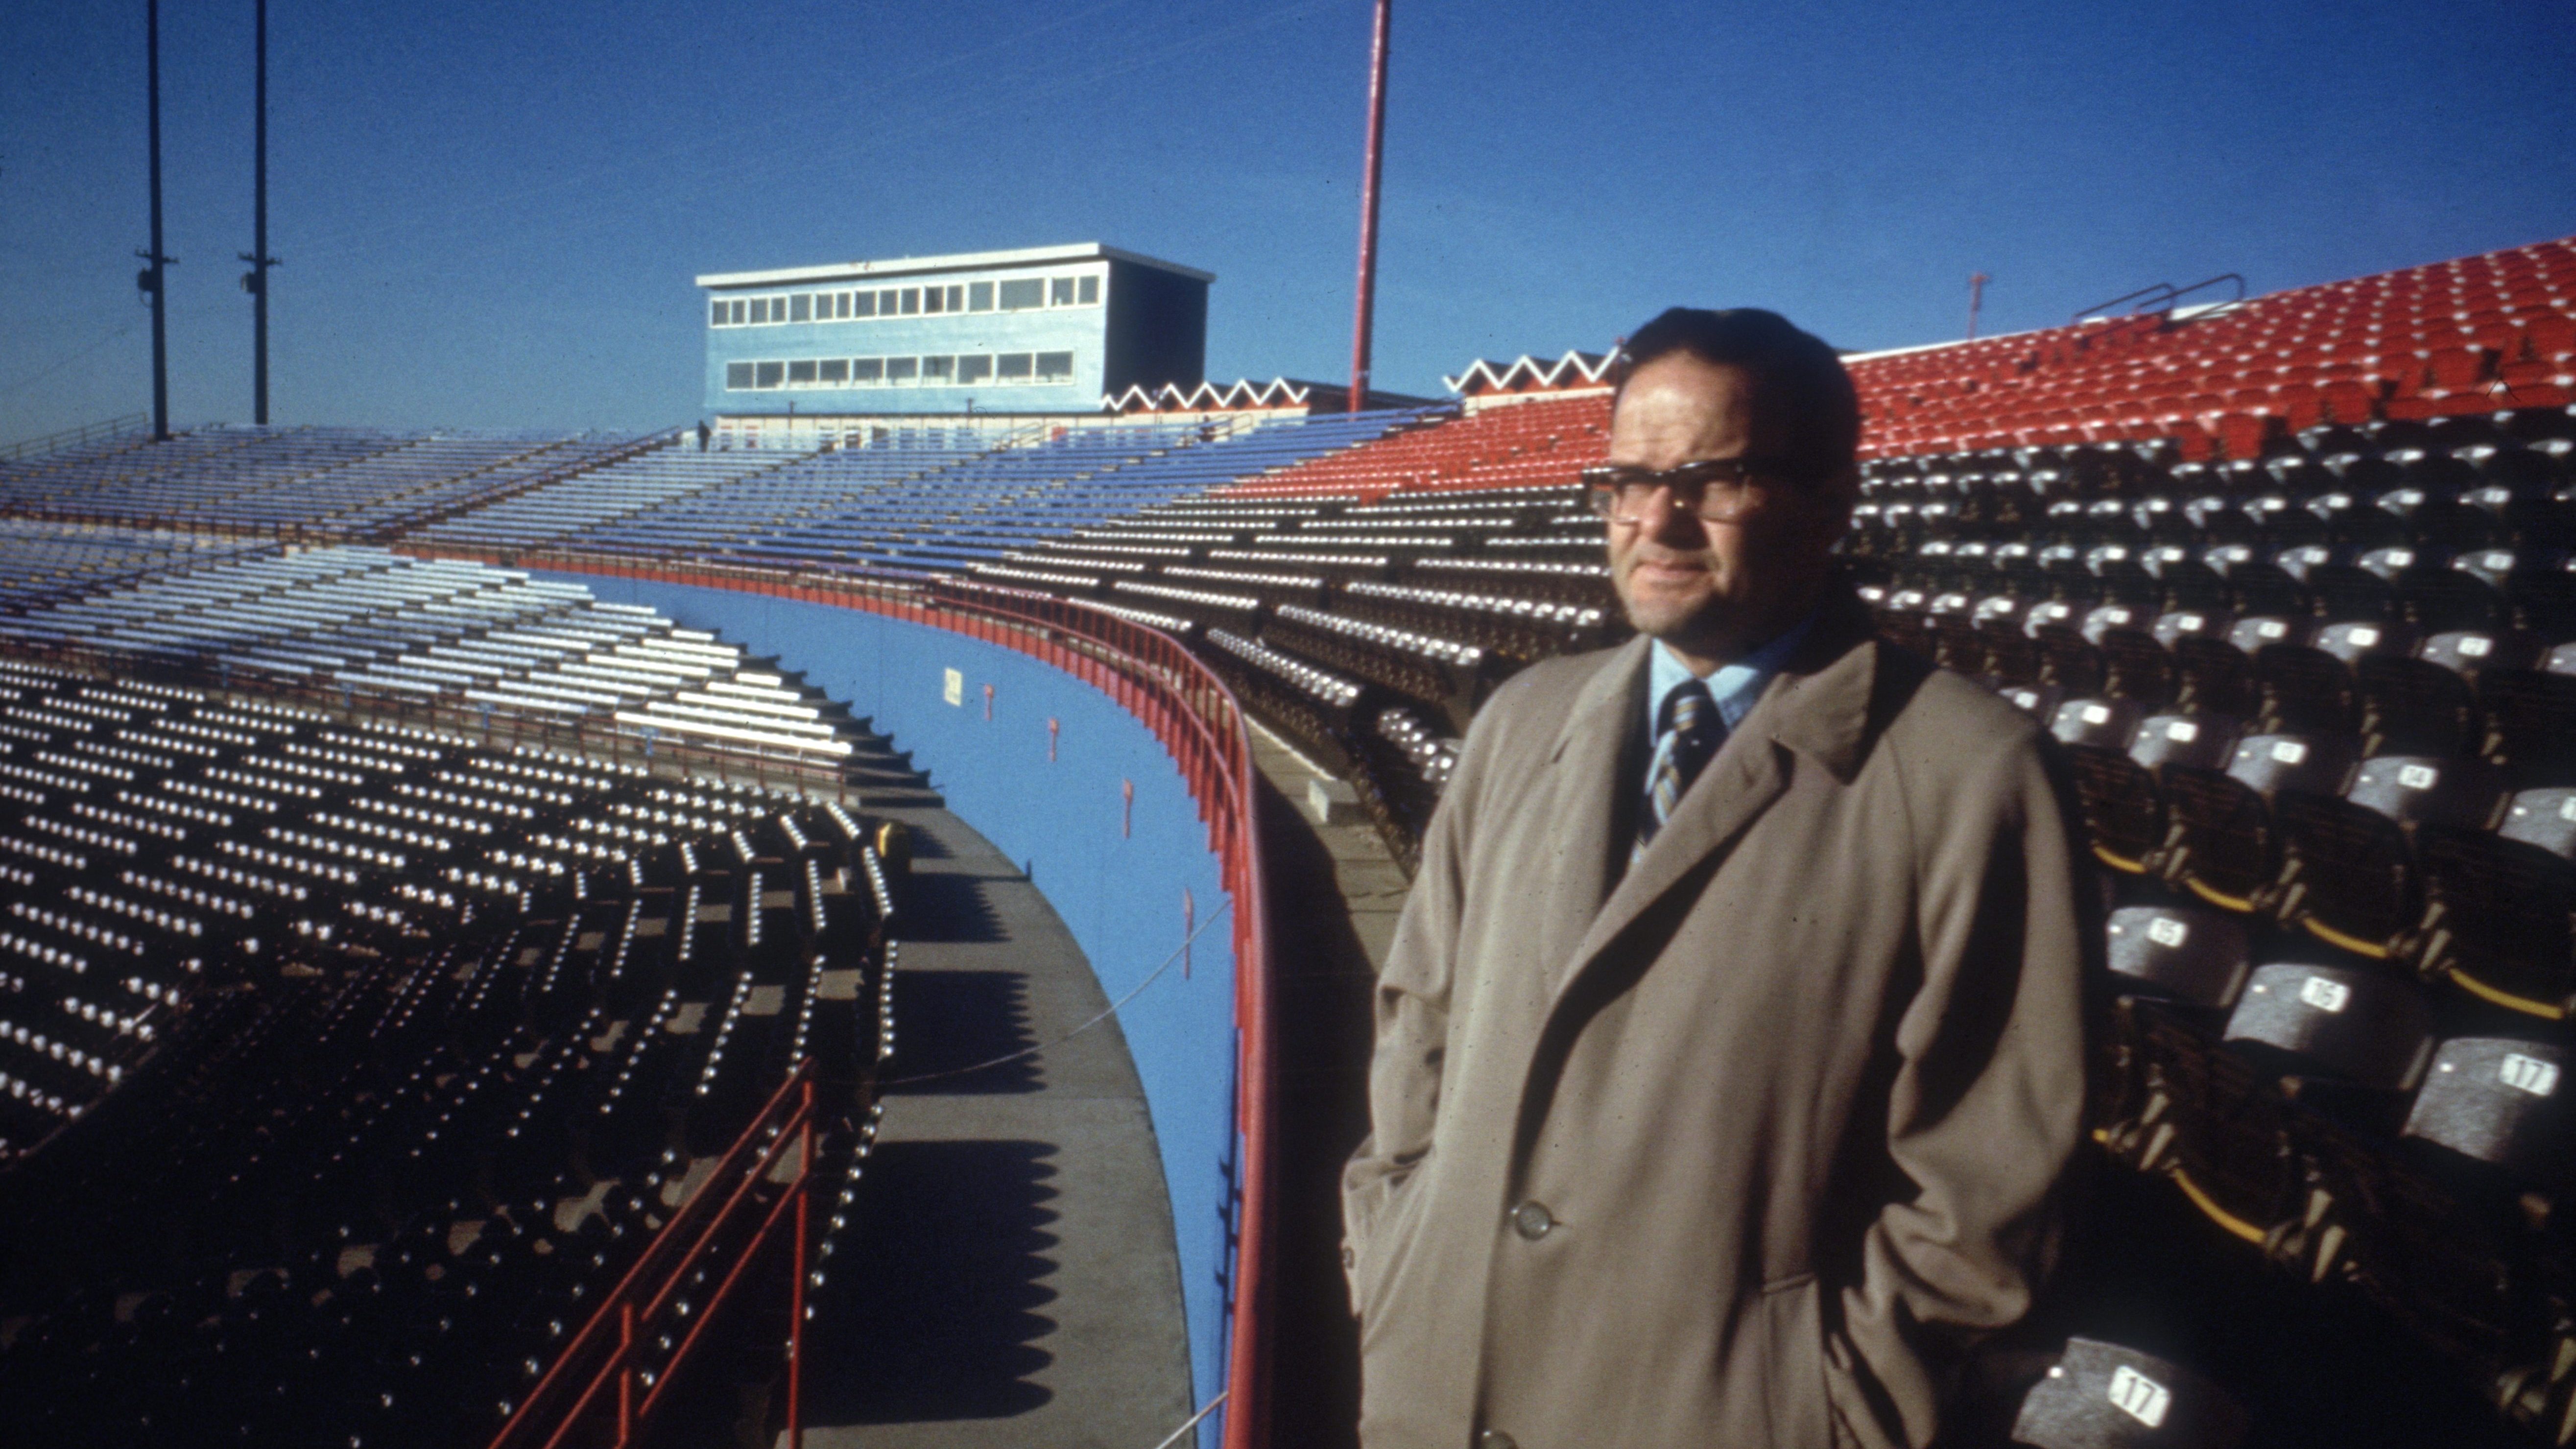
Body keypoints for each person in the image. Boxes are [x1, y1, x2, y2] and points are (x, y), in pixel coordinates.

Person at [1339, 308, 2093, 1449]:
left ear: (1832, 503)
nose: (1654, 520)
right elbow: (1420, 1019)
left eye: (1712, 480)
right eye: (1628, 479)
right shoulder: (1520, 717)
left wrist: (1821, 1408)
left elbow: (1985, 1193)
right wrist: (1389, 1242)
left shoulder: (1971, 774)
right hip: (1436, 1384)